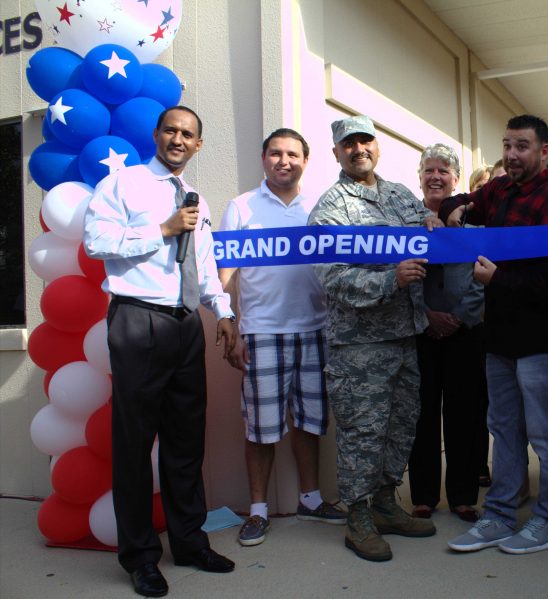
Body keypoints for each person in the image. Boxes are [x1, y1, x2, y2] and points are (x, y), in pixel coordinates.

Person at [83, 106, 237, 598]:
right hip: (138, 320)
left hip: (186, 322)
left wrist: (224, 312)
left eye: (188, 134)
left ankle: (189, 543)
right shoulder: (124, 184)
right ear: (156, 135)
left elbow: (205, 262)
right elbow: (95, 241)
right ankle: (141, 558)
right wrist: (162, 230)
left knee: (186, 439)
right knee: (133, 445)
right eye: (170, 130)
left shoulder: (196, 196)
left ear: (198, 145)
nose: (178, 138)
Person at [440, 114, 548, 555]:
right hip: (499, 338)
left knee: (547, 434)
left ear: (544, 152)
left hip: (545, 341)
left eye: (521, 146)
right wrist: (456, 207)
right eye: (506, 145)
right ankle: (500, 515)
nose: (511, 155)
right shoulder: (500, 189)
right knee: (503, 429)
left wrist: (497, 281)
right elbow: (464, 202)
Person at [307, 115, 439, 562]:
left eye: (365, 141)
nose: (358, 148)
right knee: (363, 433)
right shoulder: (330, 209)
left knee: (400, 426)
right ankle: (358, 516)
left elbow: (427, 232)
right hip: (359, 345)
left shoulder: (401, 195)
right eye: (349, 144)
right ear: (337, 153)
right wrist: (391, 282)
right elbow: (334, 278)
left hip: (406, 336)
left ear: (376, 146)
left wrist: (435, 226)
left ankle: (385, 502)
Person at [218, 128, 347, 548]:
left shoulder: (320, 206)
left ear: (305, 161)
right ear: (263, 158)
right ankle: (257, 510)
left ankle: (310, 499)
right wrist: (228, 320)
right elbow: (225, 272)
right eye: (276, 153)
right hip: (261, 332)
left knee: (310, 421)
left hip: (316, 329)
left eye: (293, 154)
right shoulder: (241, 208)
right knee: (261, 427)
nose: (284, 160)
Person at [408, 144, 487, 523]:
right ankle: (423, 496)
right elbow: (400, 273)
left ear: (456, 179)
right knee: (421, 416)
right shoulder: (404, 221)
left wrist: (458, 316)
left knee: (465, 416)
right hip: (420, 331)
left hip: (465, 330)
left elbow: (481, 277)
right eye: (429, 170)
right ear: (420, 176)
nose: (435, 176)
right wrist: (427, 316)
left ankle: (463, 496)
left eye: (444, 171)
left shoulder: (475, 224)